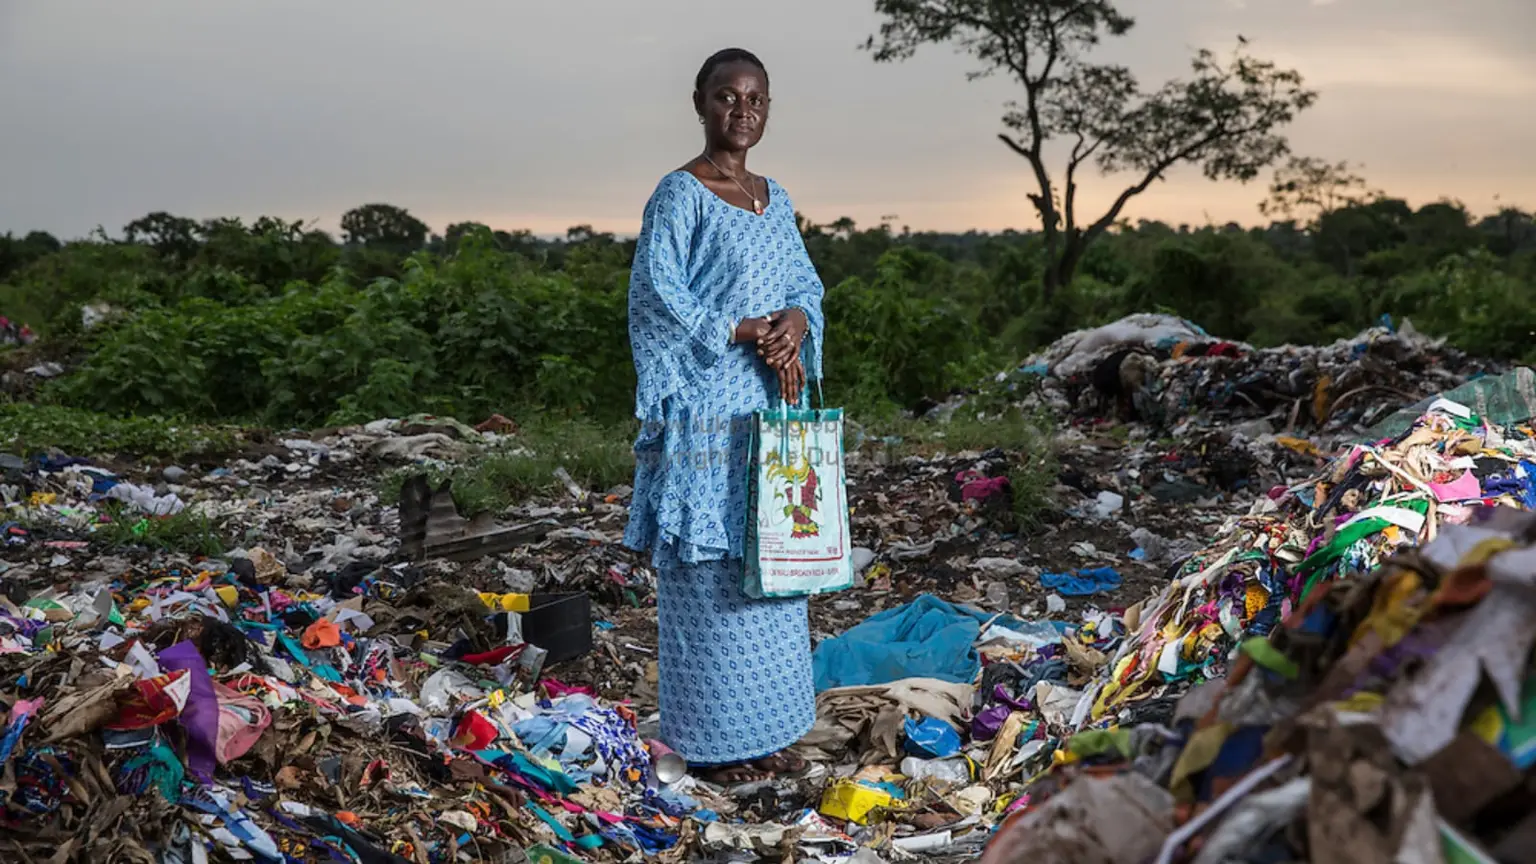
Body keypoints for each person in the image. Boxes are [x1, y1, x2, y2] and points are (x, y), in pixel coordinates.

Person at [623, 48, 826, 785]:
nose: (741, 112)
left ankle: (767, 731)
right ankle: (711, 746)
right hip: (706, 415)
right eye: (725, 97)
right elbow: (656, 296)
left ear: (768, 108)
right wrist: (743, 329)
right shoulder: (680, 195)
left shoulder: (777, 197)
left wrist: (797, 322)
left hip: (768, 411)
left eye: (755, 100)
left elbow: (805, 284)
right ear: (700, 103)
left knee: (770, 565)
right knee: (710, 572)